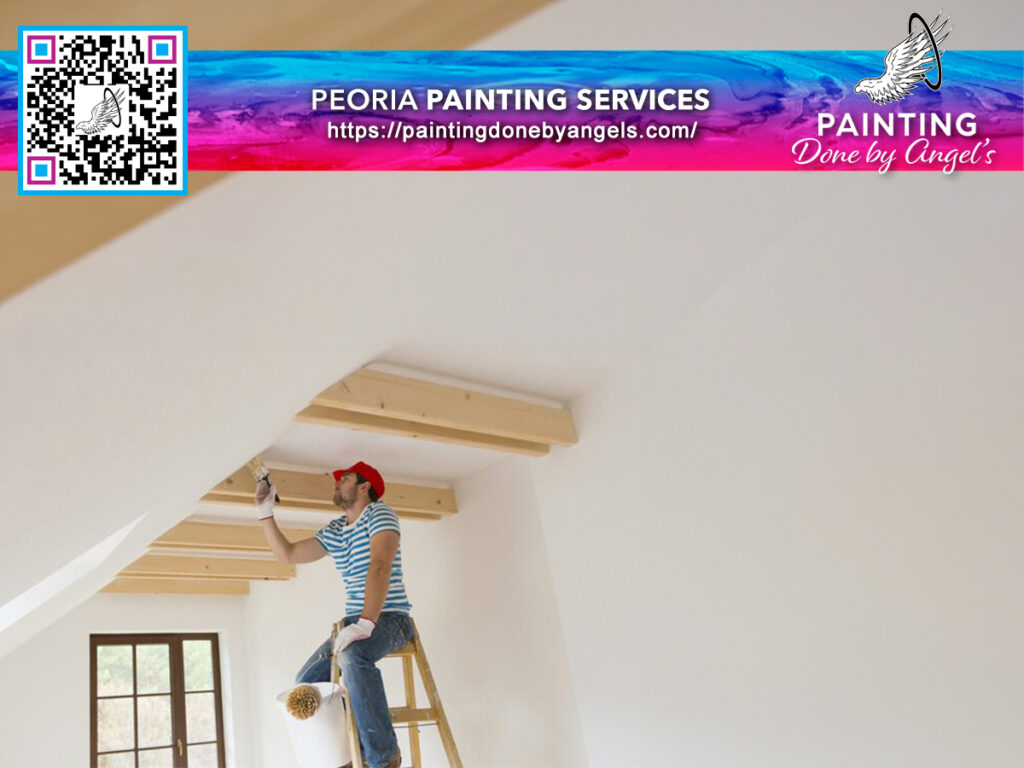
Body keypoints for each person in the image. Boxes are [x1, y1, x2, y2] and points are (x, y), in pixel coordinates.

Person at [256, 460, 411, 768]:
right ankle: (350, 756)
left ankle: (382, 758)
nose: (336, 483)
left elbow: (379, 566)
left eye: (345, 479)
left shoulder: (379, 514)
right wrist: (265, 511)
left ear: (365, 486)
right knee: (306, 684)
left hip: (390, 618)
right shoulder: (337, 530)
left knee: (353, 658)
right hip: (354, 622)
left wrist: (366, 623)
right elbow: (287, 555)